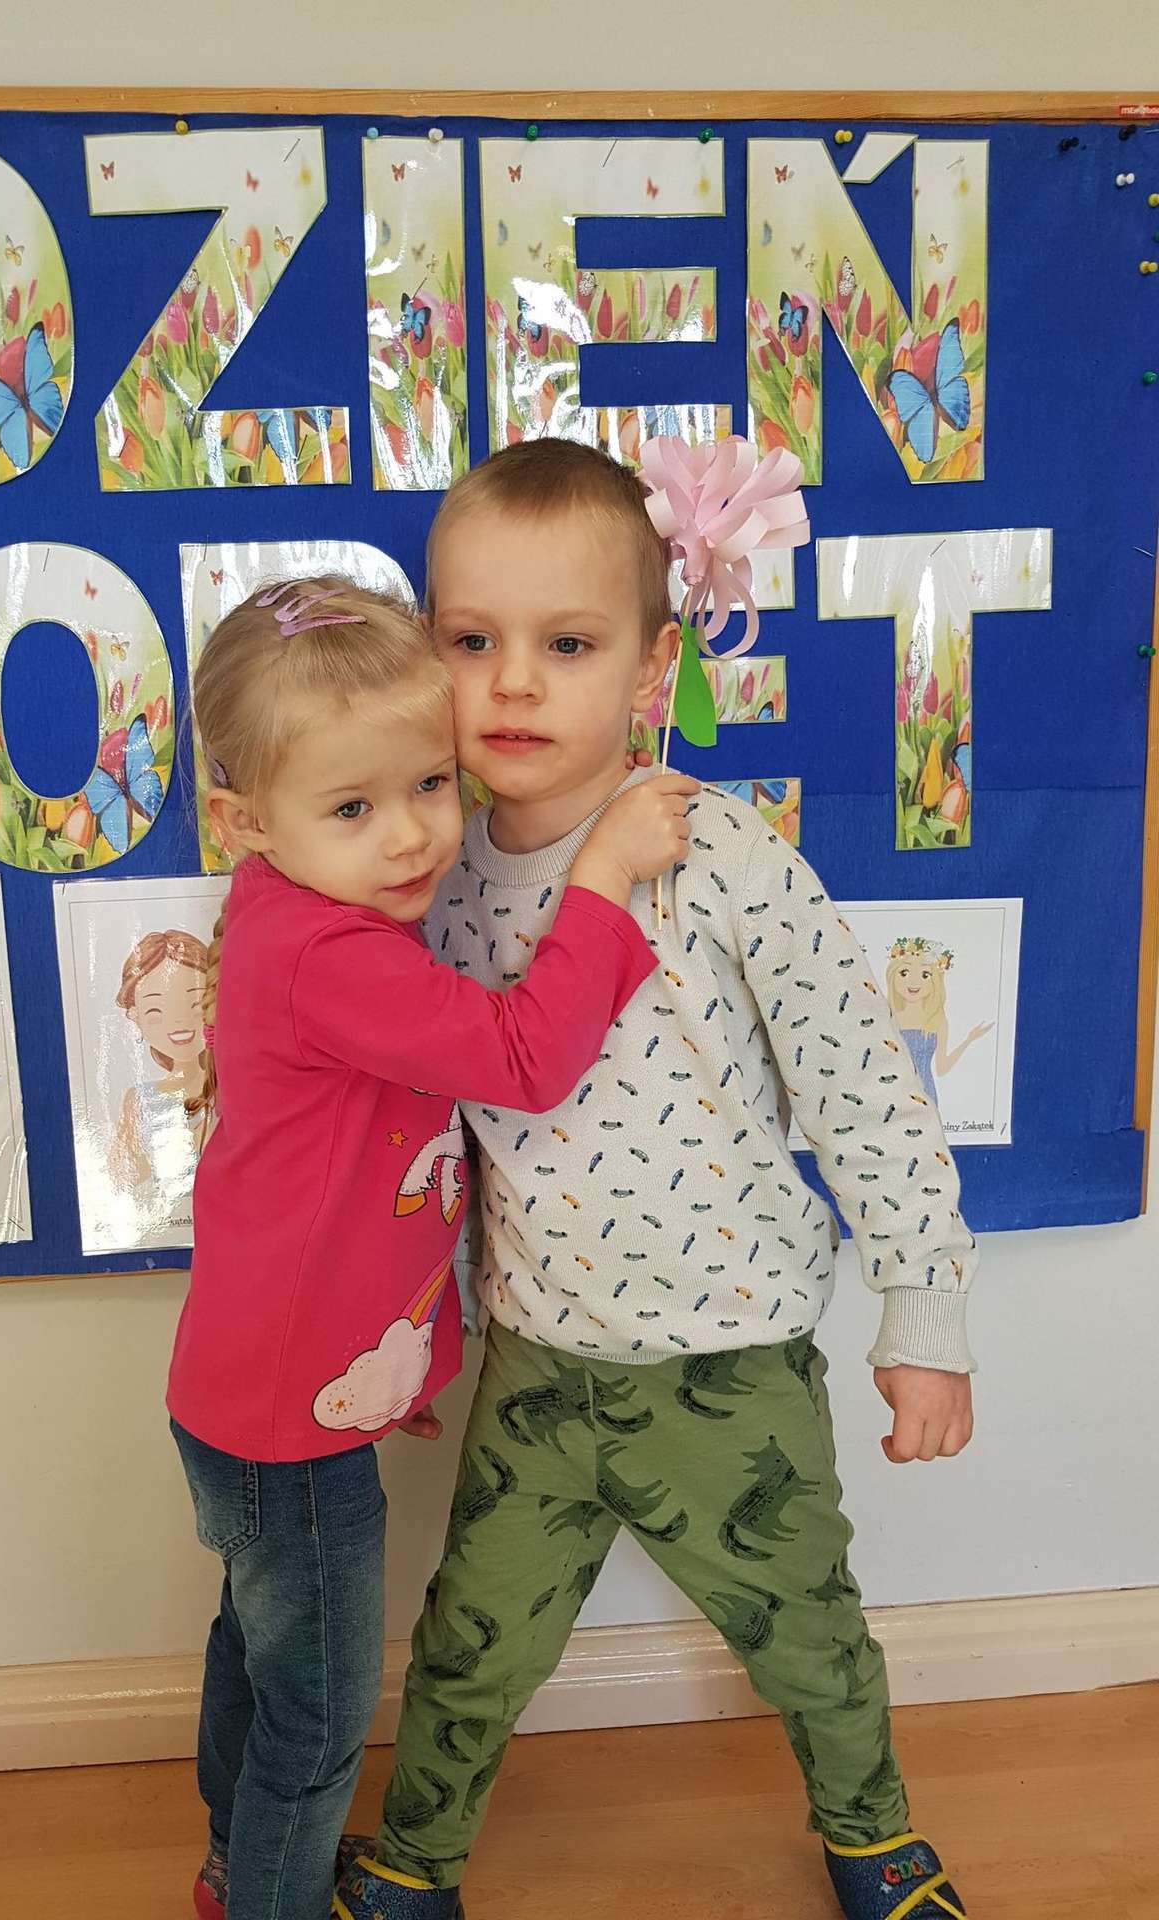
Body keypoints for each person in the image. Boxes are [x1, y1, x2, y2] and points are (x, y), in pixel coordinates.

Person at [338, 442, 976, 1920]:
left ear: (651, 665)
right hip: (538, 1367)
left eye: (566, 646)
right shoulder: (429, 884)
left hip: (729, 1366)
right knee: (468, 1645)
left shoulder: (719, 856)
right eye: (470, 641)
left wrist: (924, 1312)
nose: (512, 684)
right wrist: (398, 1333)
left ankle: (873, 1835)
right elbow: (412, 1138)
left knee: (809, 1637)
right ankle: (417, 1863)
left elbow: (863, 1086)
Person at [169, 575, 697, 1920]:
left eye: (428, 784)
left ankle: (236, 1870)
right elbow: (522, 1059)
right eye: (353, 809)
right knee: (318, 1715)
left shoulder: (295, 914)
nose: (411, 835)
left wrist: (389, 1361)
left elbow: (353, 1193)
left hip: (263, 1394)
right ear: (243, 821)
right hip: (285, 1422)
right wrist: (602, 875)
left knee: (259, 1651)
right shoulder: (332, 957)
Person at [110, 927, 214, 1196]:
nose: (179, 1020)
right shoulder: (139, 1101)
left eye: (194, 1003)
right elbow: (124, 1179)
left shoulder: (233, 1091)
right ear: (136, 1015)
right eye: (156, 1010)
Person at [886, 935, 993, 1115]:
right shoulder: (887, 1015)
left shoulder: (937, 1020)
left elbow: (942, 1068)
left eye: (925, 975)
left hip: (925, 1093)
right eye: (904, 973)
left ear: (935, 980)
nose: (914, 982)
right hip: (893, 1092)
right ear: (893, 974)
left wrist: (969, 1040)